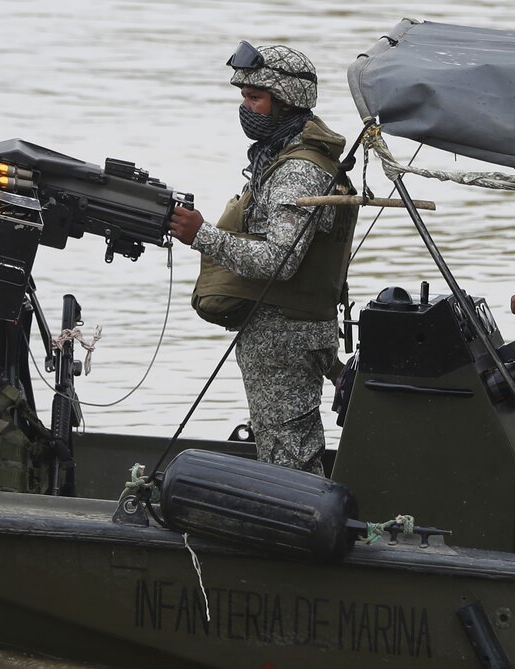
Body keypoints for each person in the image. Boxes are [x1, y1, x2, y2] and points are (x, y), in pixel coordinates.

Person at [170, 41, 357, 476]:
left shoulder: (297, 170)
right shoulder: (282, 157)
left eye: (255, 98)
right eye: (243, 97)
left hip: (284, 337)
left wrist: (202, 235)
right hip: (290, 331)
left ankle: (302, 536)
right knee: (286, 449)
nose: (246, 107)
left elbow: (279, 262)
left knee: (289, 461)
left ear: (286, 102)